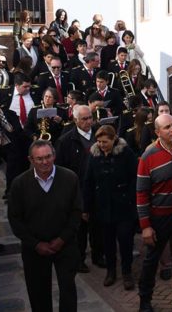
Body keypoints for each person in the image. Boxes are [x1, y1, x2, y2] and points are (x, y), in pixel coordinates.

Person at [7, 140, 81, 312]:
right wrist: (36, 244)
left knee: (68, 290)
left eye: (48, 157)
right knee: (38, 293)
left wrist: (62, 239)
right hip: (34, 249)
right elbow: (15, 219)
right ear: (31, 160)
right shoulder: (19, 184)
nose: (44, 162)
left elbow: (76, 212)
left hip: (66, 245)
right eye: (39, 159)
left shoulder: (70, 178)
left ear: (54, 156)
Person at [136, 114, 172, 312]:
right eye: (167, 127)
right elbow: (141, 194)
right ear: (157, 133)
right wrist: (146, 227)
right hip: (160, 217)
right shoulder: (148, 156)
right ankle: (144, 300)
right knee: (151, 260)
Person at [84, 125, 138, 290]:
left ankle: (127, 272)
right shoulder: (94, 156)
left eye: (105, 142)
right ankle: (111, 271)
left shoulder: (126, 154)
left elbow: (134, 179)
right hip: (103, 206)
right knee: (107, 241)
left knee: (125, 240)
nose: (101, 145)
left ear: (114, 139)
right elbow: (88, 182)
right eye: (99, 141)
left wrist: (129, 199)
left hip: (123, 206)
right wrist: (86, 207)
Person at [56, 105, 103, 273]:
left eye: (90, 117)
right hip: (77, 191)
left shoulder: (100, 134)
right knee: (79, 229)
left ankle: (98, 255)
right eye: (84, 119)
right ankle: (79, 259)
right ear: (75, 120)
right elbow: (60, 168)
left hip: (98, 189)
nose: (88, 121)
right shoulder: (66, 140)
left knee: (98, 227)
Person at [0, 72, 34, 192]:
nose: (28, 89)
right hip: (12, 135)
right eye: (25, 87)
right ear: (17, 85)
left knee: (26, 162)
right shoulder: (4, 93)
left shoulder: (34, 93)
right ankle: (10, 191)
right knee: (13, 164)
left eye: (29, 86)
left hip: (28, 134)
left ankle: (24, 188)